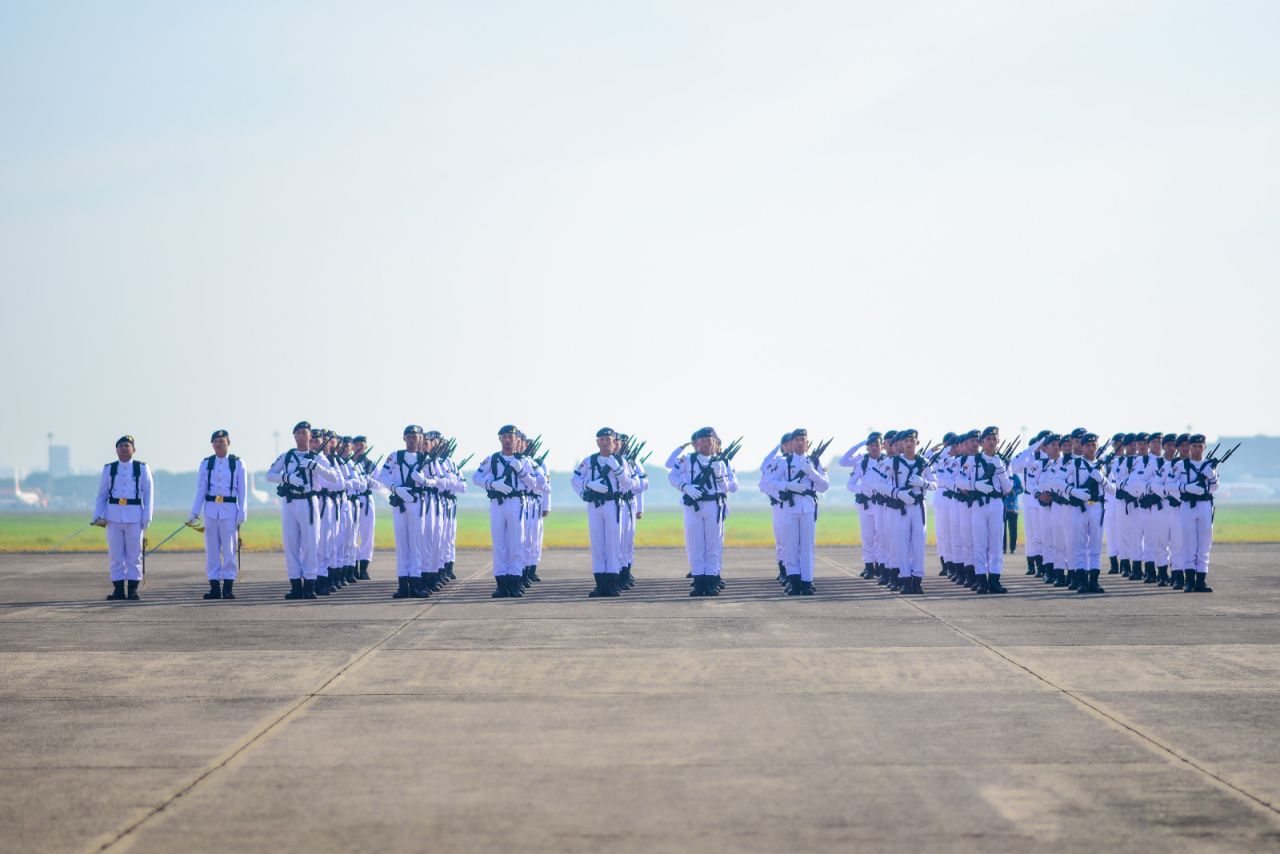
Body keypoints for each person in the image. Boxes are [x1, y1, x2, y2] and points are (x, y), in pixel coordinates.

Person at [669, 427, 739, 596]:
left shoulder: (722, 462)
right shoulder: (687, 460)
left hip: (713, 505)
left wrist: (720, 476)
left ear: (715, 443)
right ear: (697, 443)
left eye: (710, 441)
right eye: (703, 441)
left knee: (713, 545)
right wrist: (685, 487)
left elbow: (733, 487)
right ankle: (699, 583)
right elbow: (672, 476)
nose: (707, 444)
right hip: (693, 506)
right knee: (695, 545)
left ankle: (712, 582)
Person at [473, 425, 539, 598]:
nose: (508, 440)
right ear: (500, 439)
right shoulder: (493, 459)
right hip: (498, 503)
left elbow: (534, 484)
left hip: (517, 502)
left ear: (516, 439)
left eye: (511, 436)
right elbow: (476, 477)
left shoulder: (524, 460)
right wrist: (492, 484)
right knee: (499, 544)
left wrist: (521, 471)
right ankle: (502, 584)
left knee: (516, 543)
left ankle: (515, 582)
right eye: (505, 436)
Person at [762, 428, 830, 595]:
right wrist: (787, 485)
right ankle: (794, 581)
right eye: (797, 440)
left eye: (803, 439)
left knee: (807, 546)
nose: (800, 442)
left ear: (807, 443)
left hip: (807, 507)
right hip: (790, 508)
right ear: (791, 444)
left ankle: (807, 581)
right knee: (791, 546)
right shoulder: (784, 462)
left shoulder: (814, 462)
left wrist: (811, 473)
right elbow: (769, 481)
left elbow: (824, 485)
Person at [573, 428, 634, 597]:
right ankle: (600, 584)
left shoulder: (621, 462)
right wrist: (588, 485)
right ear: (597, 442)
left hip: (613, 504)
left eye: (609, 439)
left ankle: (612, 584)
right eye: (602, 439)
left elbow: (629, 484)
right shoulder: (589, 461)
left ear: (615, 442)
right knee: (598, 545)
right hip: (595, 505)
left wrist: (618, 470)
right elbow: (575, 480)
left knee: (613, 545)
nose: (606, 442)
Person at [93, 435, 154, 601]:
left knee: (134, 555)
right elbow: (102, 494)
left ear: (133, 449)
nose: (124, 449)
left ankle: (133, 590)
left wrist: (147, 517)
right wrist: (97, 515)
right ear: (116, 450)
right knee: (115, 554)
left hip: (134, 515)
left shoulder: (141, 468)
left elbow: (148, 493)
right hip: (113, 516)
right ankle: (118, 590)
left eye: (127, 446)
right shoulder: (109, 468)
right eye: (120, 446)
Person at [189, 429, 248, 600]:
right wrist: (194, 512)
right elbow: (201, 489)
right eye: (215, 441)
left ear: (228, 443)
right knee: (212, 550)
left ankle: (228, 586)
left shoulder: (237, 463)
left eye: (221, 441)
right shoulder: (206, 463)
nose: (218, 444)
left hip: (229, 510)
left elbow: (243, 490)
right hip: (211, 509)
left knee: (229, 550)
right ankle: (214, 587)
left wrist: (242, 512)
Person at [375, 425, 431, 599]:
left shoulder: (426, 459)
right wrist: (396, 488)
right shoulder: (396, 456)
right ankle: (403, 586)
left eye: (416, 436)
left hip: (416, 501)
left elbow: (437, 480)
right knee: (402, 544)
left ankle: (415, 583)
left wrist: (424, 480)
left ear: (421, 439)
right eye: (410, 436)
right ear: (404, 438)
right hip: (400, 501)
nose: (413, 439)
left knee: (416, 544)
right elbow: (382, 476)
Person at [1171, 434, 1218, 593]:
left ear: (1204, 447)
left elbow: (1215, 488)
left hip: (1204, 505)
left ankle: (1201, 581)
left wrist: (1213, 478)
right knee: (1188, 543)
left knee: (1204, 543)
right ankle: (1189, 581)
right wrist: (1186, 488)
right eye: (1194, 446)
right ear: (1189, 447)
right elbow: (1170, 485)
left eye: (1200, 446)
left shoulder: (1209, 465)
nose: (1197, 449)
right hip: (1187, 506)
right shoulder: (1180, 465)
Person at [1002, 472, 1022, 554]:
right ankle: (1003, 548)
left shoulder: (1015, 476)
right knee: (1002, 529)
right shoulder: (1001, 475)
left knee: (1013, 528)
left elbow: (1021, 489)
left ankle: (1013, 548)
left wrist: (1014, 491)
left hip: (1013, 506)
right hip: (1002, 506)